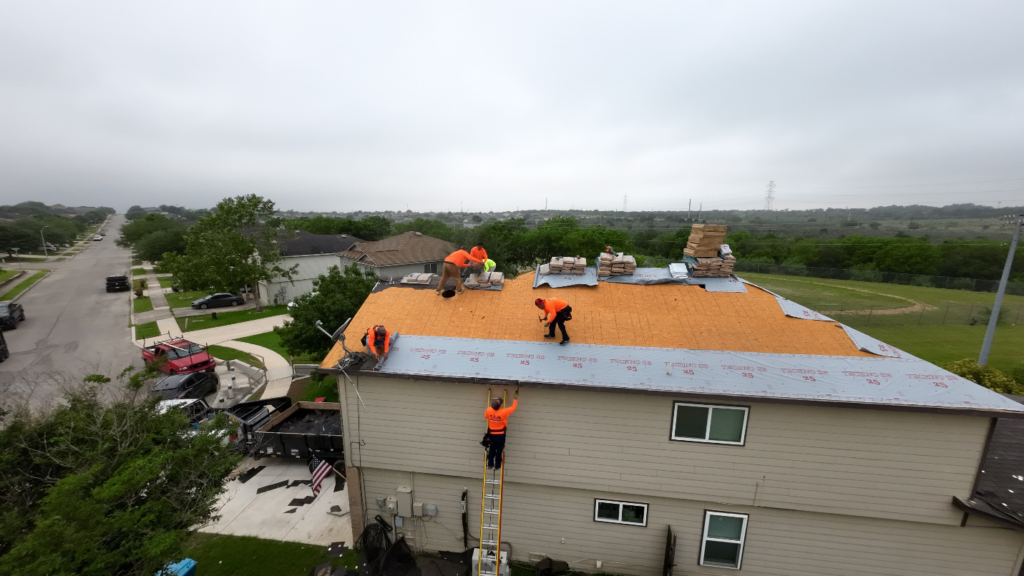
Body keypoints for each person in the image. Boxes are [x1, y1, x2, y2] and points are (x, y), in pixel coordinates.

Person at [484, 390, 518, 469]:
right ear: (499, 406)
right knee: (499, 450)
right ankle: (497, 465)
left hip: (492, 434)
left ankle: (490, 464)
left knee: (492, 449)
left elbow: (486, 417)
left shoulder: (488, 409)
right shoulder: (504, 412)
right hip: (501, 435)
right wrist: (515, 398)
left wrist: (493, 417)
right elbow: (514, 407)